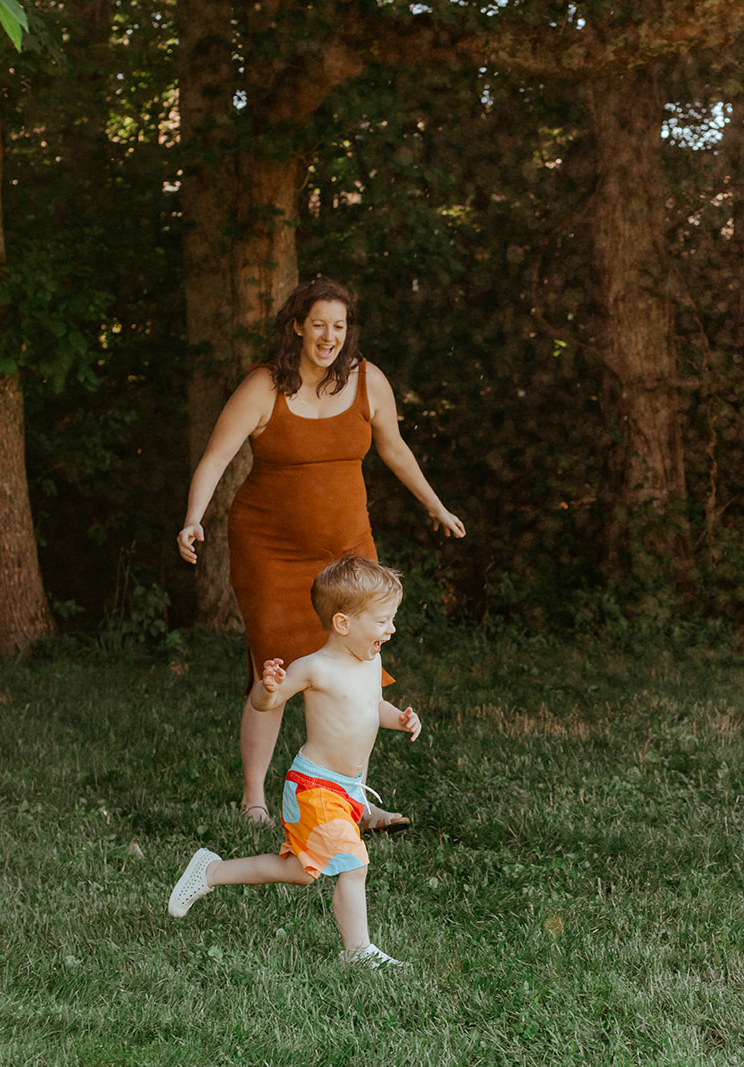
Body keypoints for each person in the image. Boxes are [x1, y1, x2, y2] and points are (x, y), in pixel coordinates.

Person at [176, 277, 464, 829]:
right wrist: (193, 518)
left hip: (348, 550)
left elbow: (395, 448)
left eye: (340, 326)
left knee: (358, 669)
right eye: (319, 325)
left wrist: (436, 504)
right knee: (274, 671)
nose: (330, 336)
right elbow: (215, 459)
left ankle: (351, 799)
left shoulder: (367, 382)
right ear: (297, 327)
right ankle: (254, 800)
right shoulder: (264, 387)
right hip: (271, 550)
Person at [167, 557, 420, 968]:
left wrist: (401, 718)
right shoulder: (314, 668)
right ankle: (358, 952)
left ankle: (211, 871)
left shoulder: (370, 660)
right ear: (342, 624)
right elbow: (264, 704)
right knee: (355, 864)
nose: (391, 629)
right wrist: (268, 688)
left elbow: (374, 706)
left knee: (301, 871)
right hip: (315, 787)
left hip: (348, 788)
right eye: (382, 621)